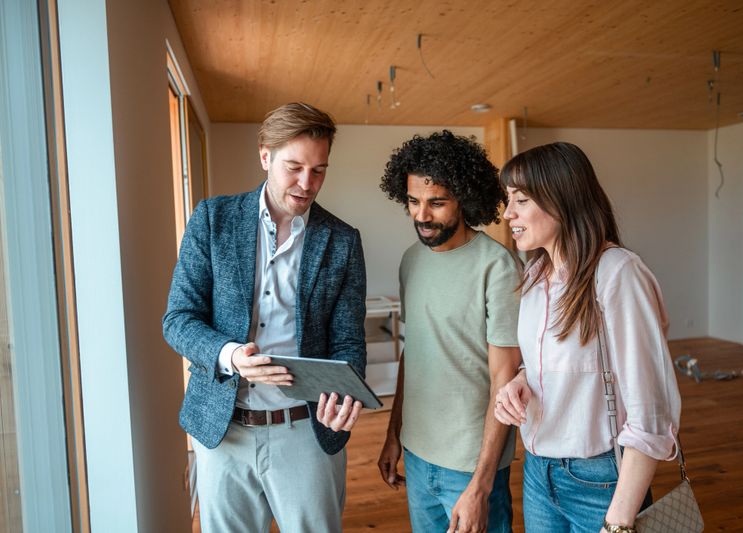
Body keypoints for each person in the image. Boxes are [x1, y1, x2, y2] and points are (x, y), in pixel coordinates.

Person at [163, 102, 367, 533]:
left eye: (319, 170)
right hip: (222, 431)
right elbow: (178, 319)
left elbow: (348, 341)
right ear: (264, 156)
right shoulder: (212, 219)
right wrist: (231, 354)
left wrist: (343, 399)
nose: (307, 183)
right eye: (294, 167)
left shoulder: (343, 240)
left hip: (307, 432)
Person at [493, 142, 681, 533]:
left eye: (521, 200)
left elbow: (652, 409)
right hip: (537, 472)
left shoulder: (617, 273)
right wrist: (520, 381)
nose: (508, 213)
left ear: (561, 200)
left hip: (600, 481)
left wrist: (619, 521)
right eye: (508, 200)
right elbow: (559, 361)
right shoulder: (535, 276)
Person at [377, 130, 522, 533]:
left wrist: (481, 483)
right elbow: (415, 350)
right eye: (413, 201)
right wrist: (394, 435)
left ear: (465, 199)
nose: (422, 215)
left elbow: (504, 379)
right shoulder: (411, 261)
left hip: (470, 466)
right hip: (418, 455)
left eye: (437, 203)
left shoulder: (498, 267)